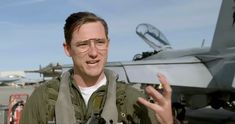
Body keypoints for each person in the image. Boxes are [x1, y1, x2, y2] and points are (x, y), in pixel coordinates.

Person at [20, 11, 177, 124]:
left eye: (100, 42)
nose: (94, 53)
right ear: (67, 49)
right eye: (83, 44)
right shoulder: (43, 99)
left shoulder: (133, 100)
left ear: (108, 45)